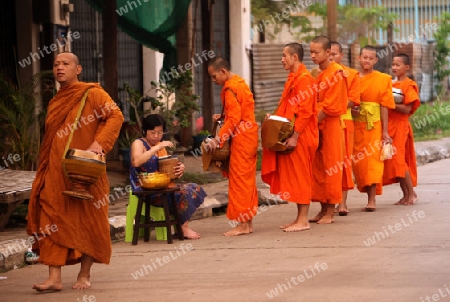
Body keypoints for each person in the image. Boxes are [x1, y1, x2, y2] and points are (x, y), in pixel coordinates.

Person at [26, 52, 124, 291]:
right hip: (57, 174)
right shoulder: (56, 100)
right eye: (56, 64)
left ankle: (84, 274)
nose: (59, 68)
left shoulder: (92, 93)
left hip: (86, 172)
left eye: (65, 64)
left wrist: (99, 143)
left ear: (78, 69)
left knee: (88, 221)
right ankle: (54, 277)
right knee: (50, 217)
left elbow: (115, 115)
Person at [261, 42, 318, 232]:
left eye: (285, 55)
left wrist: (295, 136)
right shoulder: (293, 78)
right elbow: (288, 109)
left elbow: (305, 111)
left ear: (295, 57)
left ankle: (303, 220)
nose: (281, 59)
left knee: (301, 176)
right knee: (294, 176)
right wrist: (274, 118)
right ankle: (298, 218)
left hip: (301, 135)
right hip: (292, 133)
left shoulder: (304, 79)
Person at [205, 56, 259, 236]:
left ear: (223, 71)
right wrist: (222, 118)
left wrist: (217, 139)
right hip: (249, 136)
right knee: (247, 180)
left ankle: (243, 225)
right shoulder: (240, 83)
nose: (214, 81)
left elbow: (235, 119)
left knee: (239, 182)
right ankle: (248, 223)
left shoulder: (231, 89)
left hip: (241, 139)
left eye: (214, 77)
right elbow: (239, 113)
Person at [129, 114, 206, 239]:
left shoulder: (161, 147)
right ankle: (183, 228)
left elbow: (167, 170)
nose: (156, 136)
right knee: (185, 192)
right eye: (152, 132)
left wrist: (179, 168)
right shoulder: (139, 143)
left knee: (194, 188)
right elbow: (136, 161)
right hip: (144, 189)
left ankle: (181, 226)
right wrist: (156, 148)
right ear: (144, 131)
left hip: (161, 186)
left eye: (159, 133)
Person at [309, 35, 348, 224]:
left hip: (330, 125)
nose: (313, 56)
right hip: (316, 124)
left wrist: (310, 124)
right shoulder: (315, 73)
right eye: (311, 52)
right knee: (318, 168)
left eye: (316, 52)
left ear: (327, 53)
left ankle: (331, 211)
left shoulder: (336, 73)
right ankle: (322, 207)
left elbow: (330, 106)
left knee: (331, 167)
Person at [352, 45, 395, 211]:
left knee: (373, 162)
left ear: (376, 60)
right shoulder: (353, 78)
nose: (367, 60)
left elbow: (384, 106)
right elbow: (348, 101)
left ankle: (372, 200)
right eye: (364, 57)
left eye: (371, 58)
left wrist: (385, 131)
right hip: (356, 125)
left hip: (374, 125)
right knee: (358, 163)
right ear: (359, 58)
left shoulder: (383, 79)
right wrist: (352, 109)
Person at [383, 53, 420, 205]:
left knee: (399, 160)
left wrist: (391, 104)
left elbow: (407, 109)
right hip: (390, 125)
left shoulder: (408, 85)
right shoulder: (391, 84)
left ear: (406, 67)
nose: (394, 67)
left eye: (398, 65)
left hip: (400, 125)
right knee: (393, 160)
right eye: (393, 64)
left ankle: (411, 194)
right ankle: (406, 194)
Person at [329, 41, 361, 216]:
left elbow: (354, 99)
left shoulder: (351, 74)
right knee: (327, 164)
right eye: (329, 54)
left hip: (344, 121)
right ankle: (328, 202)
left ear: (341, 55)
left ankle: (342, 202)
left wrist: (333, 103)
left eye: (334, 54)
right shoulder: (319, 74)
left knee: (343, 163)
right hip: (325, 122)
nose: (331, 57)